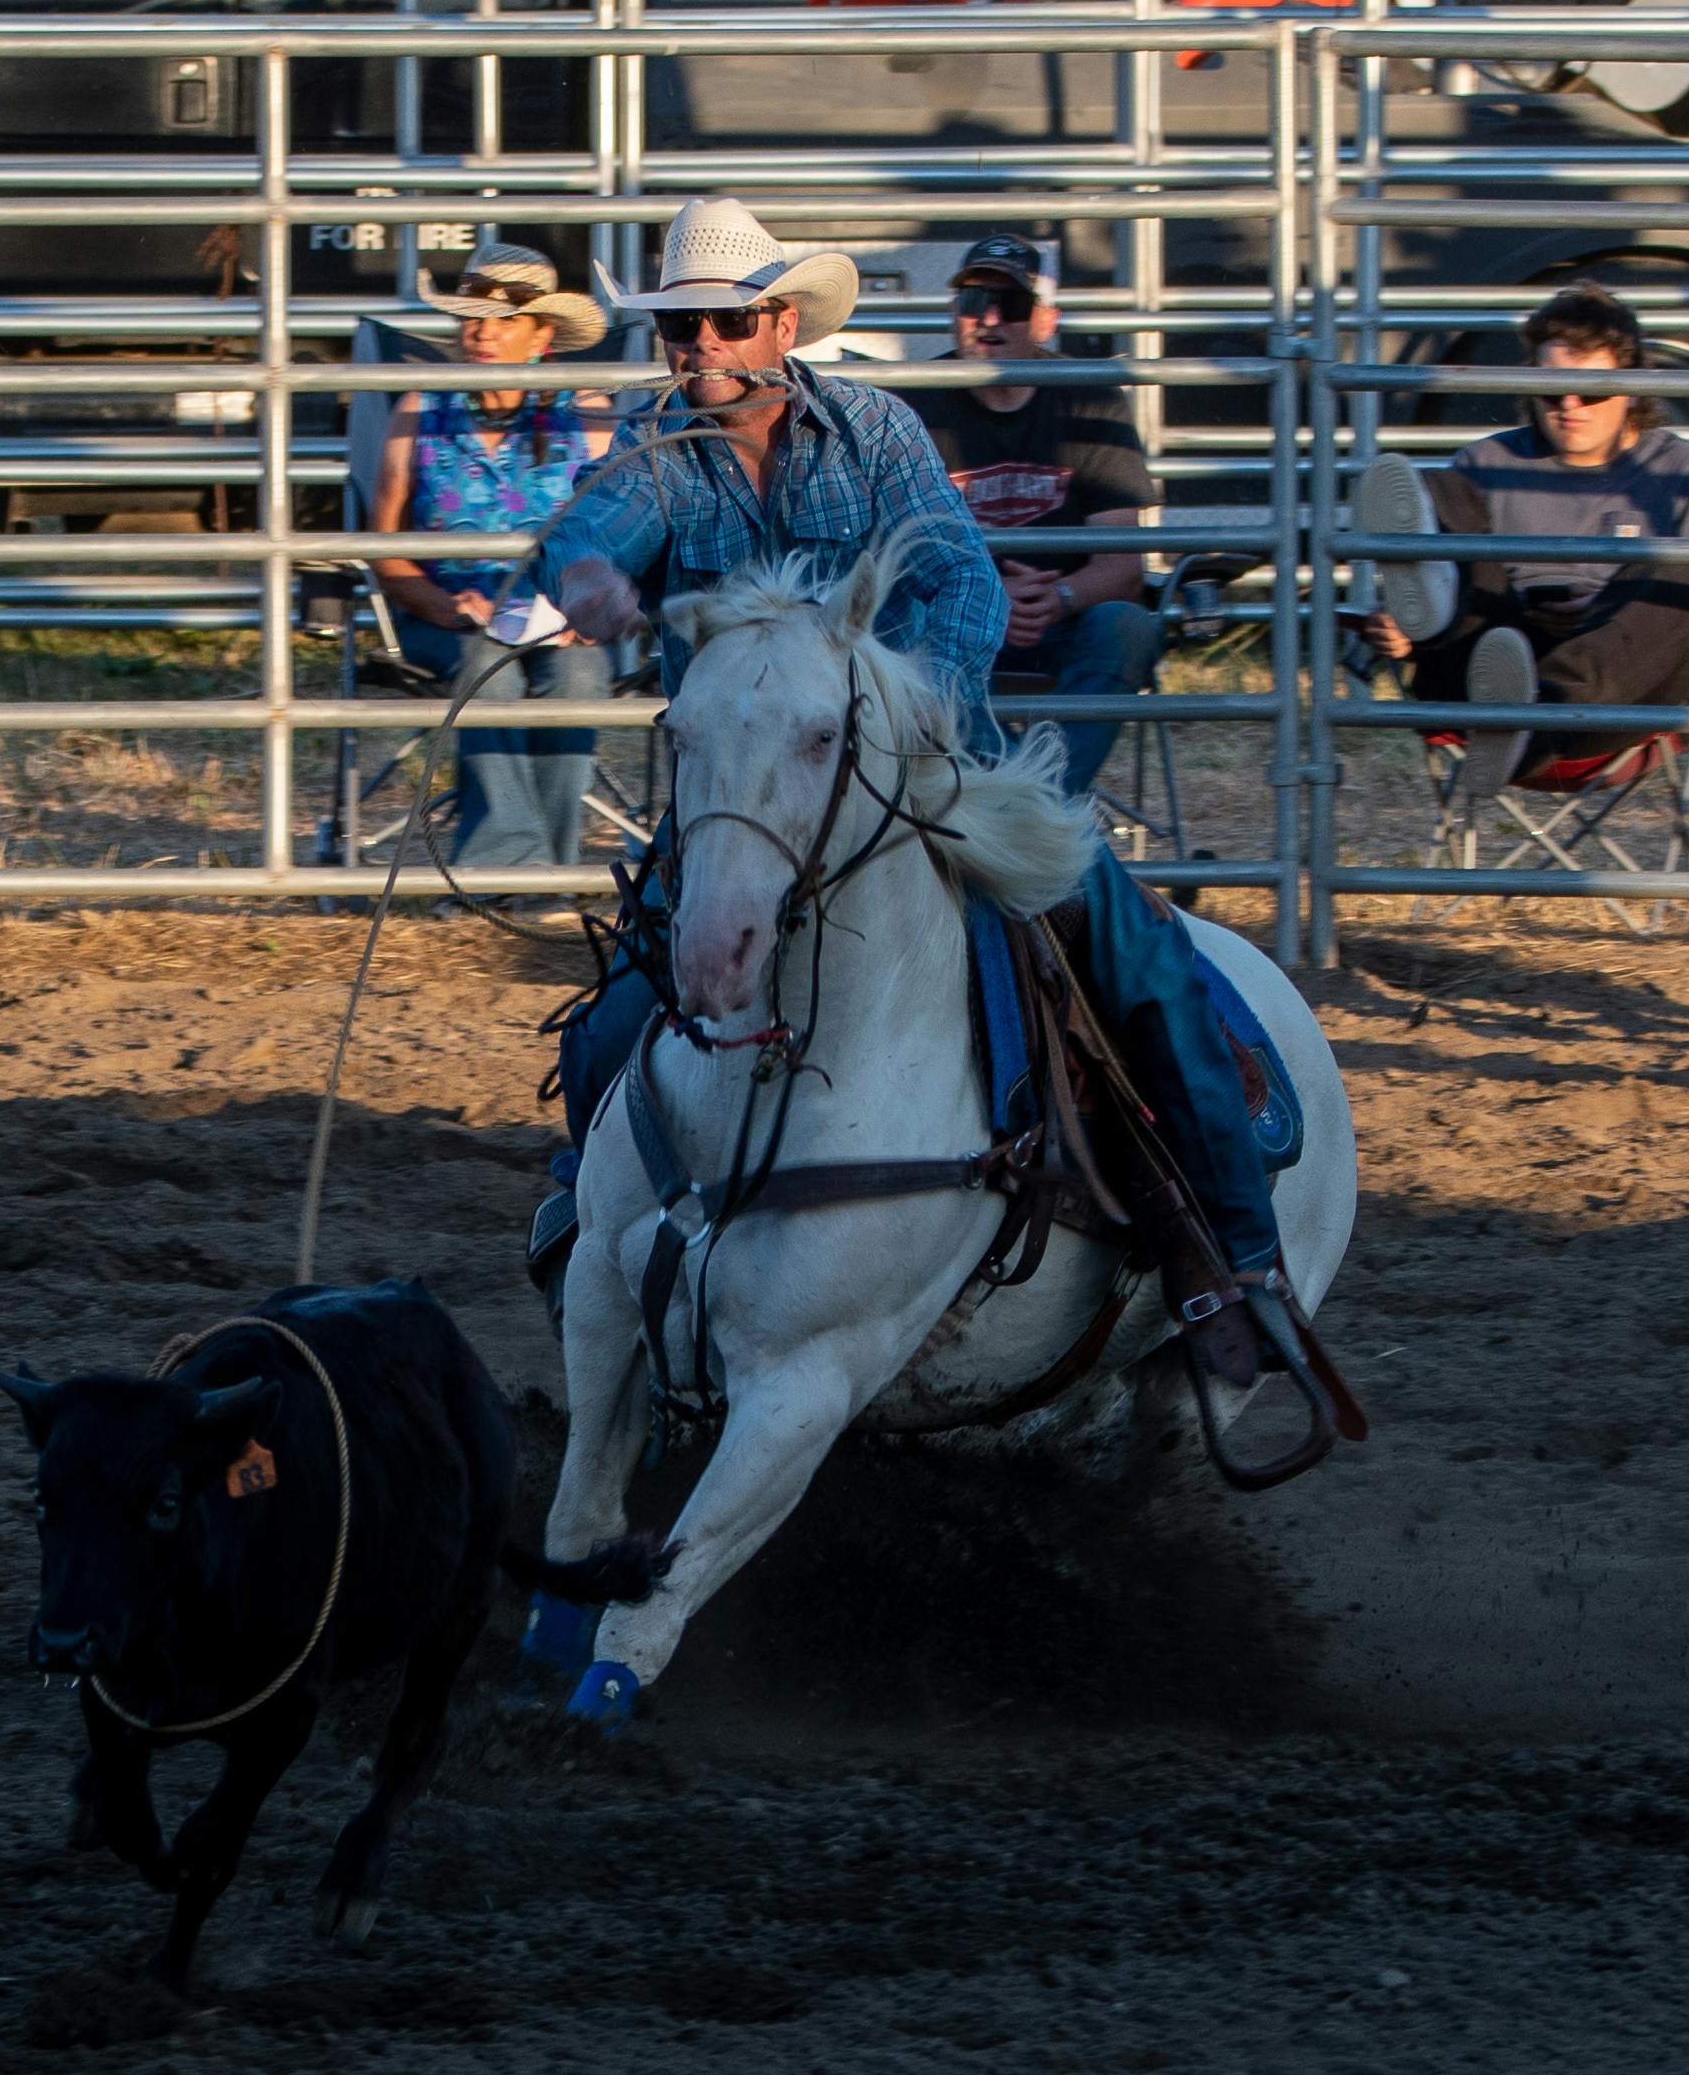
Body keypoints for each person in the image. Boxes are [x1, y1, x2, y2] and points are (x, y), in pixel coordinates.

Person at [525, 197, 1319, 1409]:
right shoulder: (656, 457)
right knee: (612, 1019)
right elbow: (594, 526)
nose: (697, 346)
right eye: (680, 325)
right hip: (746, 805)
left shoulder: (877, 433)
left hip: (929, 771)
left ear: (779, 322)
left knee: (1136, 955)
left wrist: (908, 726)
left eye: (721, 322)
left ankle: (1231, 1257)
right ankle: (600, 1223)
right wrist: (580, 571)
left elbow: (960, 582)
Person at [1350, 281, 1689, 800]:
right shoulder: (1483, 465)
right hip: (1490, 653)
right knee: (1443, 495)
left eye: (1589, 389)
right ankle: (1483, 671)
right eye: (1551, 388)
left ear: (1631, 387)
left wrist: (1632, 614)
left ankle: (1530, 718)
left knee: (1673, 577)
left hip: (1612, 688)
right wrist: (1404, 630)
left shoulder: (1686, 471)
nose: (1569, 405)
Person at [369, 242, 615, 876]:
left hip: (557, 619)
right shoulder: (421, 410)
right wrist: (451, 608)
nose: (479, 332)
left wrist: (587, 606)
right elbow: (384, 552)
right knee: (489, 665)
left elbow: (623, 536)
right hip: (445, 620)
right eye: (470, 316)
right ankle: (506, 871)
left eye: (503, 320)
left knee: (580, 677)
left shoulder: (586, 412)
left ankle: (549, 871)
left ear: (542, 333)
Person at [919, 236, 1171, 800]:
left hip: (1064, 621)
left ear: (1045, 320)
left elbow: (1123, 564)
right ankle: (1032, 814)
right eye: (971, 301)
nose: (987, 319)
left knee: (1125, 627)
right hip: (956, 624)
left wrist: (1056, 600)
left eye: (1009, 305)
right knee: (902, 636)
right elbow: (897, 557)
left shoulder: (1087, 395)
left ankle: (1030, 807)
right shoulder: (915, 401)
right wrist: (985, 603)